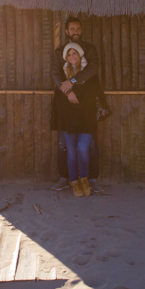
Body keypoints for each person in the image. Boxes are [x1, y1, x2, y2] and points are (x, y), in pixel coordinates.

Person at [51, 43, 110, 197]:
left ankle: (84, 179)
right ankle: (74, 182)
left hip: (87, 117)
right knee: (71, 151)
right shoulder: (63, 74)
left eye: (74, 53)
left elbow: (94, 94)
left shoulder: (88, 74)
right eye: (68, 55)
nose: (72, 57)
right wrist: (69, 93)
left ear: (80, 54)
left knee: (83, 149)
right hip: (69, 118)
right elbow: (61, 97)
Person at [51, 18, 100, 190]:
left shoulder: (89, 49)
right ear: (66, 31)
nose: (76, 31)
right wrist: (68, 90)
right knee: (64, 145)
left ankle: (91, 179)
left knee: (90, 144)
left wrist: (73, 81)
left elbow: (93, 69)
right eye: (72, 29)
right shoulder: (59, 52)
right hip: (65, 103)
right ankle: (65, 178)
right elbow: (56, 75)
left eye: (78, 28)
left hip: (86, 102)